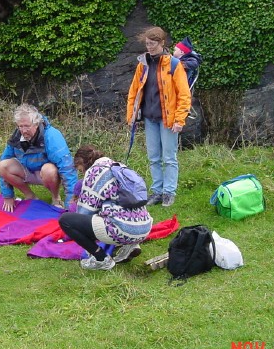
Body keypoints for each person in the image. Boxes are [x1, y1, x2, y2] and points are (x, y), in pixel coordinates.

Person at [58, 145, 153, 271]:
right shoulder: (117, 165)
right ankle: (131, 245)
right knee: (115, 210)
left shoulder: (94, 173)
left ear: (82, 163)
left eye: (81, 170)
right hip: (144, 227)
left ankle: (101, 259)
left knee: (66, 220)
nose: (82, 174)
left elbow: (84, 212)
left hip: (123, 229)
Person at [126, 26, 191, 207]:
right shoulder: (142, 64)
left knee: (169, 158)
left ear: (162, 43)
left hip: (168, 119)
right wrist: (131, 115)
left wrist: (180, 120)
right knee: (153, 157)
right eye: (147, 44)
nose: (150, 47)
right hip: (149, 118)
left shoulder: (174, 65)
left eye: (153, 44)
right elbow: (134, 91)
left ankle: (169, 192)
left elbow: (184, 95)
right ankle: (157, 192)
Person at [0, 104, 78, 212]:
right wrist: (7, 196)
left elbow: (68, 170)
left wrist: (71, 206)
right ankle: (30, 196)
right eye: (20, 126)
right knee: (2, 166)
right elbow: (4, 159)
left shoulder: (51, 136)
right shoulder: (17, 135)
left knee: (48, 170)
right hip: (27, 170)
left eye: (27, 126)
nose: (23, 130)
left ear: (36, 124)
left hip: (47, 174)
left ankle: (56, 198)